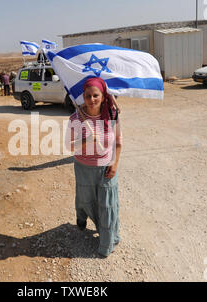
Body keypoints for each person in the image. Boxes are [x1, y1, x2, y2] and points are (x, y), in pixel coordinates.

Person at [66, 77, 122, 258]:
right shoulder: (75, 117)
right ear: (83, 96)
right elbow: (69, 146)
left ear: (103, 95)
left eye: (96, 95)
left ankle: (107, 242)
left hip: (106, 167)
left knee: (107, 206)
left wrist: (114, 163)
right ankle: (81, 218)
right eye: (88, 96)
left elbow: (118, 143)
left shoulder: (112, 114)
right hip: (83, 167)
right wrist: (87, 140)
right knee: (85, 200)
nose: (91, 100)